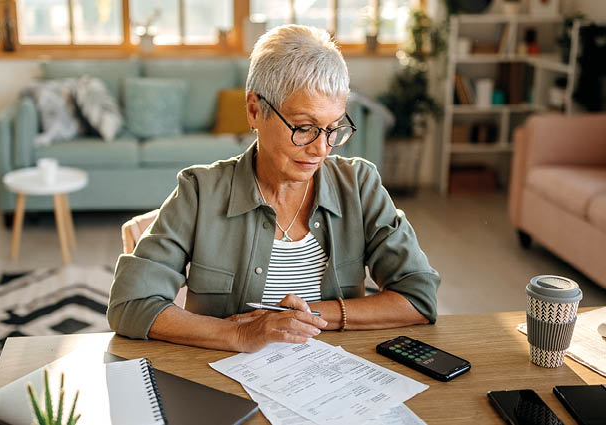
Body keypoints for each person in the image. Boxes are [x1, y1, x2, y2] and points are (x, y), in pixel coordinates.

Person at [108, 25, 440, 353]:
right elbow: (129, 304)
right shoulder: (199, 192)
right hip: (224, 385)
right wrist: (238, 335)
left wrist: (307, 316)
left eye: (333, 128)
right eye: (305, 127)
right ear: (254, 110)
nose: (322, 149)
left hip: (336, 382)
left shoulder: (360, 186)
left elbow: (418, 298)